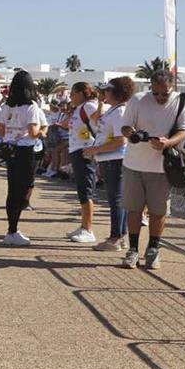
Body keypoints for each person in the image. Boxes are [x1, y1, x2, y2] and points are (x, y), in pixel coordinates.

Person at [118, 67, 185, 269]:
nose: (160, 97)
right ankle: (133, 250)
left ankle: (153, 250)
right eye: (156, 93)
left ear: (173, 86)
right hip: (133, 164)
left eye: (165, 93)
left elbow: (184, 130)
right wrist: (133, 134)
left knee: (158, 211)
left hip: (163, 167)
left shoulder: (182, 101)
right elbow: (125, 127)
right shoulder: (137, 99)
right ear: (150, 87)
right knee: (133, 209)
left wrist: (168, 142)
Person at [0, 71, 48, 246]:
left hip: (10, 150)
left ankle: (11, 228)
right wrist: (42, 133)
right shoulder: (31, 107)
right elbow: (34, 133)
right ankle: (13, 230)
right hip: (26, 151)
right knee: (22, 190)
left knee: (12, 190)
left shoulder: (7, 106)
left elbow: (2, 131)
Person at [81, 80, 131, 250]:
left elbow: (120, 140)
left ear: (116, 93)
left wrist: (95, 149)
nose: (104, 93)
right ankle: (120, 235)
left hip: (115, 160)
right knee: (118, 199)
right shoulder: (115, 110)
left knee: (116, 199)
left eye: (108, 90)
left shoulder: (119, 112)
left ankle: (115, 237)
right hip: (110, 159)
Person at [63, 82, 103, 244]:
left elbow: (98, 120)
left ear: (81, 93)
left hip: (85, 151)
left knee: (86, 190)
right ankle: (83, 226)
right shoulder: (80, 108)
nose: (71, 97)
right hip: (78, 150)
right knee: (82, 190)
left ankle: (88, 229)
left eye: (72, 93)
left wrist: (101, 103)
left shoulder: (88, 107)